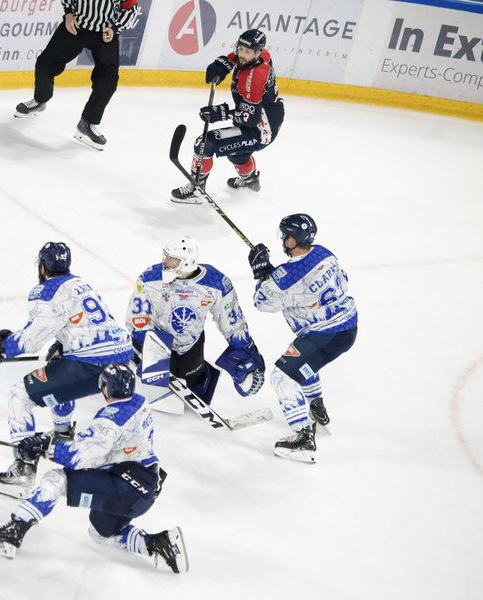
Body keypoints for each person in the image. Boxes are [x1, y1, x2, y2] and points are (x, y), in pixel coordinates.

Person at [0, 364, 188, 574]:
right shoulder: (139, 402)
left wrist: (45, 447)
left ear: (107, 386)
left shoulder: (111, 418)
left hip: (125, 488)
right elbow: (107, 448)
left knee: (56, 480)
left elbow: (81, 457)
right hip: (144, 488)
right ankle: (161, 544)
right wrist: (49, 442)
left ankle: (14, 532)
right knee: (101, 532)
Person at [0, 242, 133, 499]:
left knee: (20, 395)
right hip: (120, 356)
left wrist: (4, 347)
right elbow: (84, 322)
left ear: (42, 267)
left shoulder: (45, 292)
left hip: (90, 363)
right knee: (58, 373)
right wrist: (63, 344)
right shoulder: (80, 283)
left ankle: (23, 468)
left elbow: (32, 339)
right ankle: (63, 434)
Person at [247, 214, 358, 463]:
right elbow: (301, 278)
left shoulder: (287, 274)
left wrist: (261, 273)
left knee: (282, 377)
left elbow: (263, 302)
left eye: (285, 236)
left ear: (292, 240)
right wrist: (272, 274)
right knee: (305, 365)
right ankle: (317, 408)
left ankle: (304, 437)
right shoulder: (324, 253)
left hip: (324, 334)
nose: (283, 241)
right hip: (347, 326)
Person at [126, 237, 264, 403]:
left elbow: (233, 324)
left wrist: (249, 356)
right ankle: (135, 358)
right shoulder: (150, 278)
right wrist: (151, 352)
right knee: (157, 386)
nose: (165, 262)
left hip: (189, 344)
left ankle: (197, 373)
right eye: (166, 257)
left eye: (172, 260)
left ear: (187, 262)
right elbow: (137, 319)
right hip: (158, 340)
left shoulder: (216, 282)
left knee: (190, 381)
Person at [171, 29, 285, 203]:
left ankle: (197, 187)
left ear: (257, 52)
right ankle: (250, 180)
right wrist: (226, 62)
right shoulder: (261, 55)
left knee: (204, 143)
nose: (242, 55)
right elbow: (239, 54)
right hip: (268, 115)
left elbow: (251, 118)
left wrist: (221, 113)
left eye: (247, 52)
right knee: (237, 153)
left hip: (260, 129)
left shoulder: (253, 79)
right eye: (240, 49)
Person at [14, 0, 142, 150]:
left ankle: (87, 123)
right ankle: (40, 100)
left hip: (105, 32)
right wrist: (68, 13)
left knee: (108, 81)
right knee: (46, 64)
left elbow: (130, 7)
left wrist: (115, 28)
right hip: (75, 26)